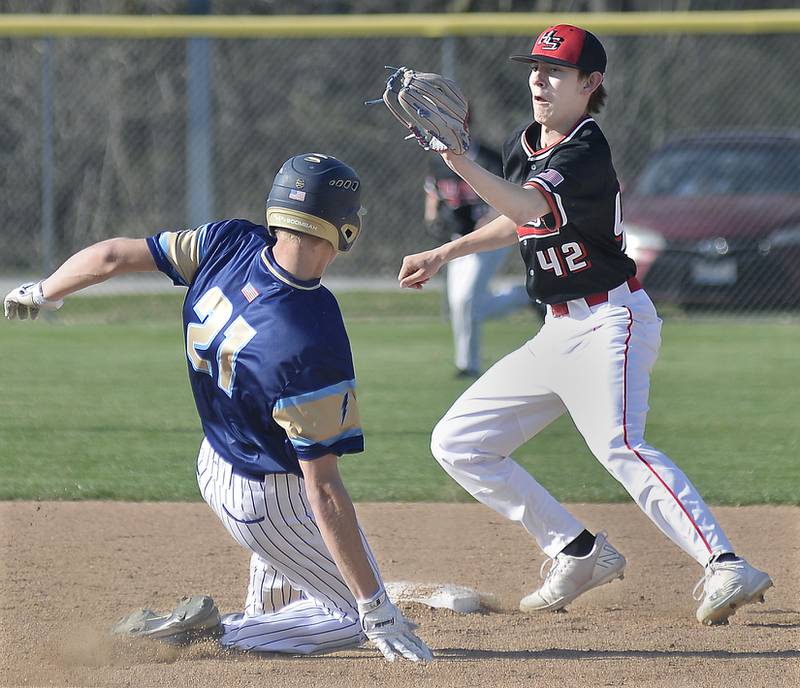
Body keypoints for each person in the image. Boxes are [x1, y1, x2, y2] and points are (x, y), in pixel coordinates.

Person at [397, 25, 772, 626]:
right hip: (557, 330)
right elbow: (522, 222)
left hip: (611, 321)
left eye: (555, 72)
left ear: (590, 84)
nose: (539, 81)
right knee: (459, 443)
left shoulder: (584, 151)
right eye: (535, 69)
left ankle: (725, 563)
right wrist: (445, 252)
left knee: (619, 444)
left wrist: (455, 160)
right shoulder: (532, 143)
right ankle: (577, 552)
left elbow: (527, 207)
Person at [4, 153, 432, 662]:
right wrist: (374, 606)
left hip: (215, 463)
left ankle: (261, 621)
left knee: (288, 594)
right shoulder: (309, 334)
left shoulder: (228, 242)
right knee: (348, 616)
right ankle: (213, 635)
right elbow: (324, 487)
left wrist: (43, 290)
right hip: (269, 497)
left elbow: (115, 256)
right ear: (346, 229)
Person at [424, 132, 530, 377]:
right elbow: (432, 191)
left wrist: (491, 219)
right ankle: (524, 296)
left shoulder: (489, 158)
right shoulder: (438, 160)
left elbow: (513, 195)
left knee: (466, 301)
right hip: (458, 239)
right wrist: (431, 216)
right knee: (459, 305)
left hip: (489, 239)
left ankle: (469, 364)